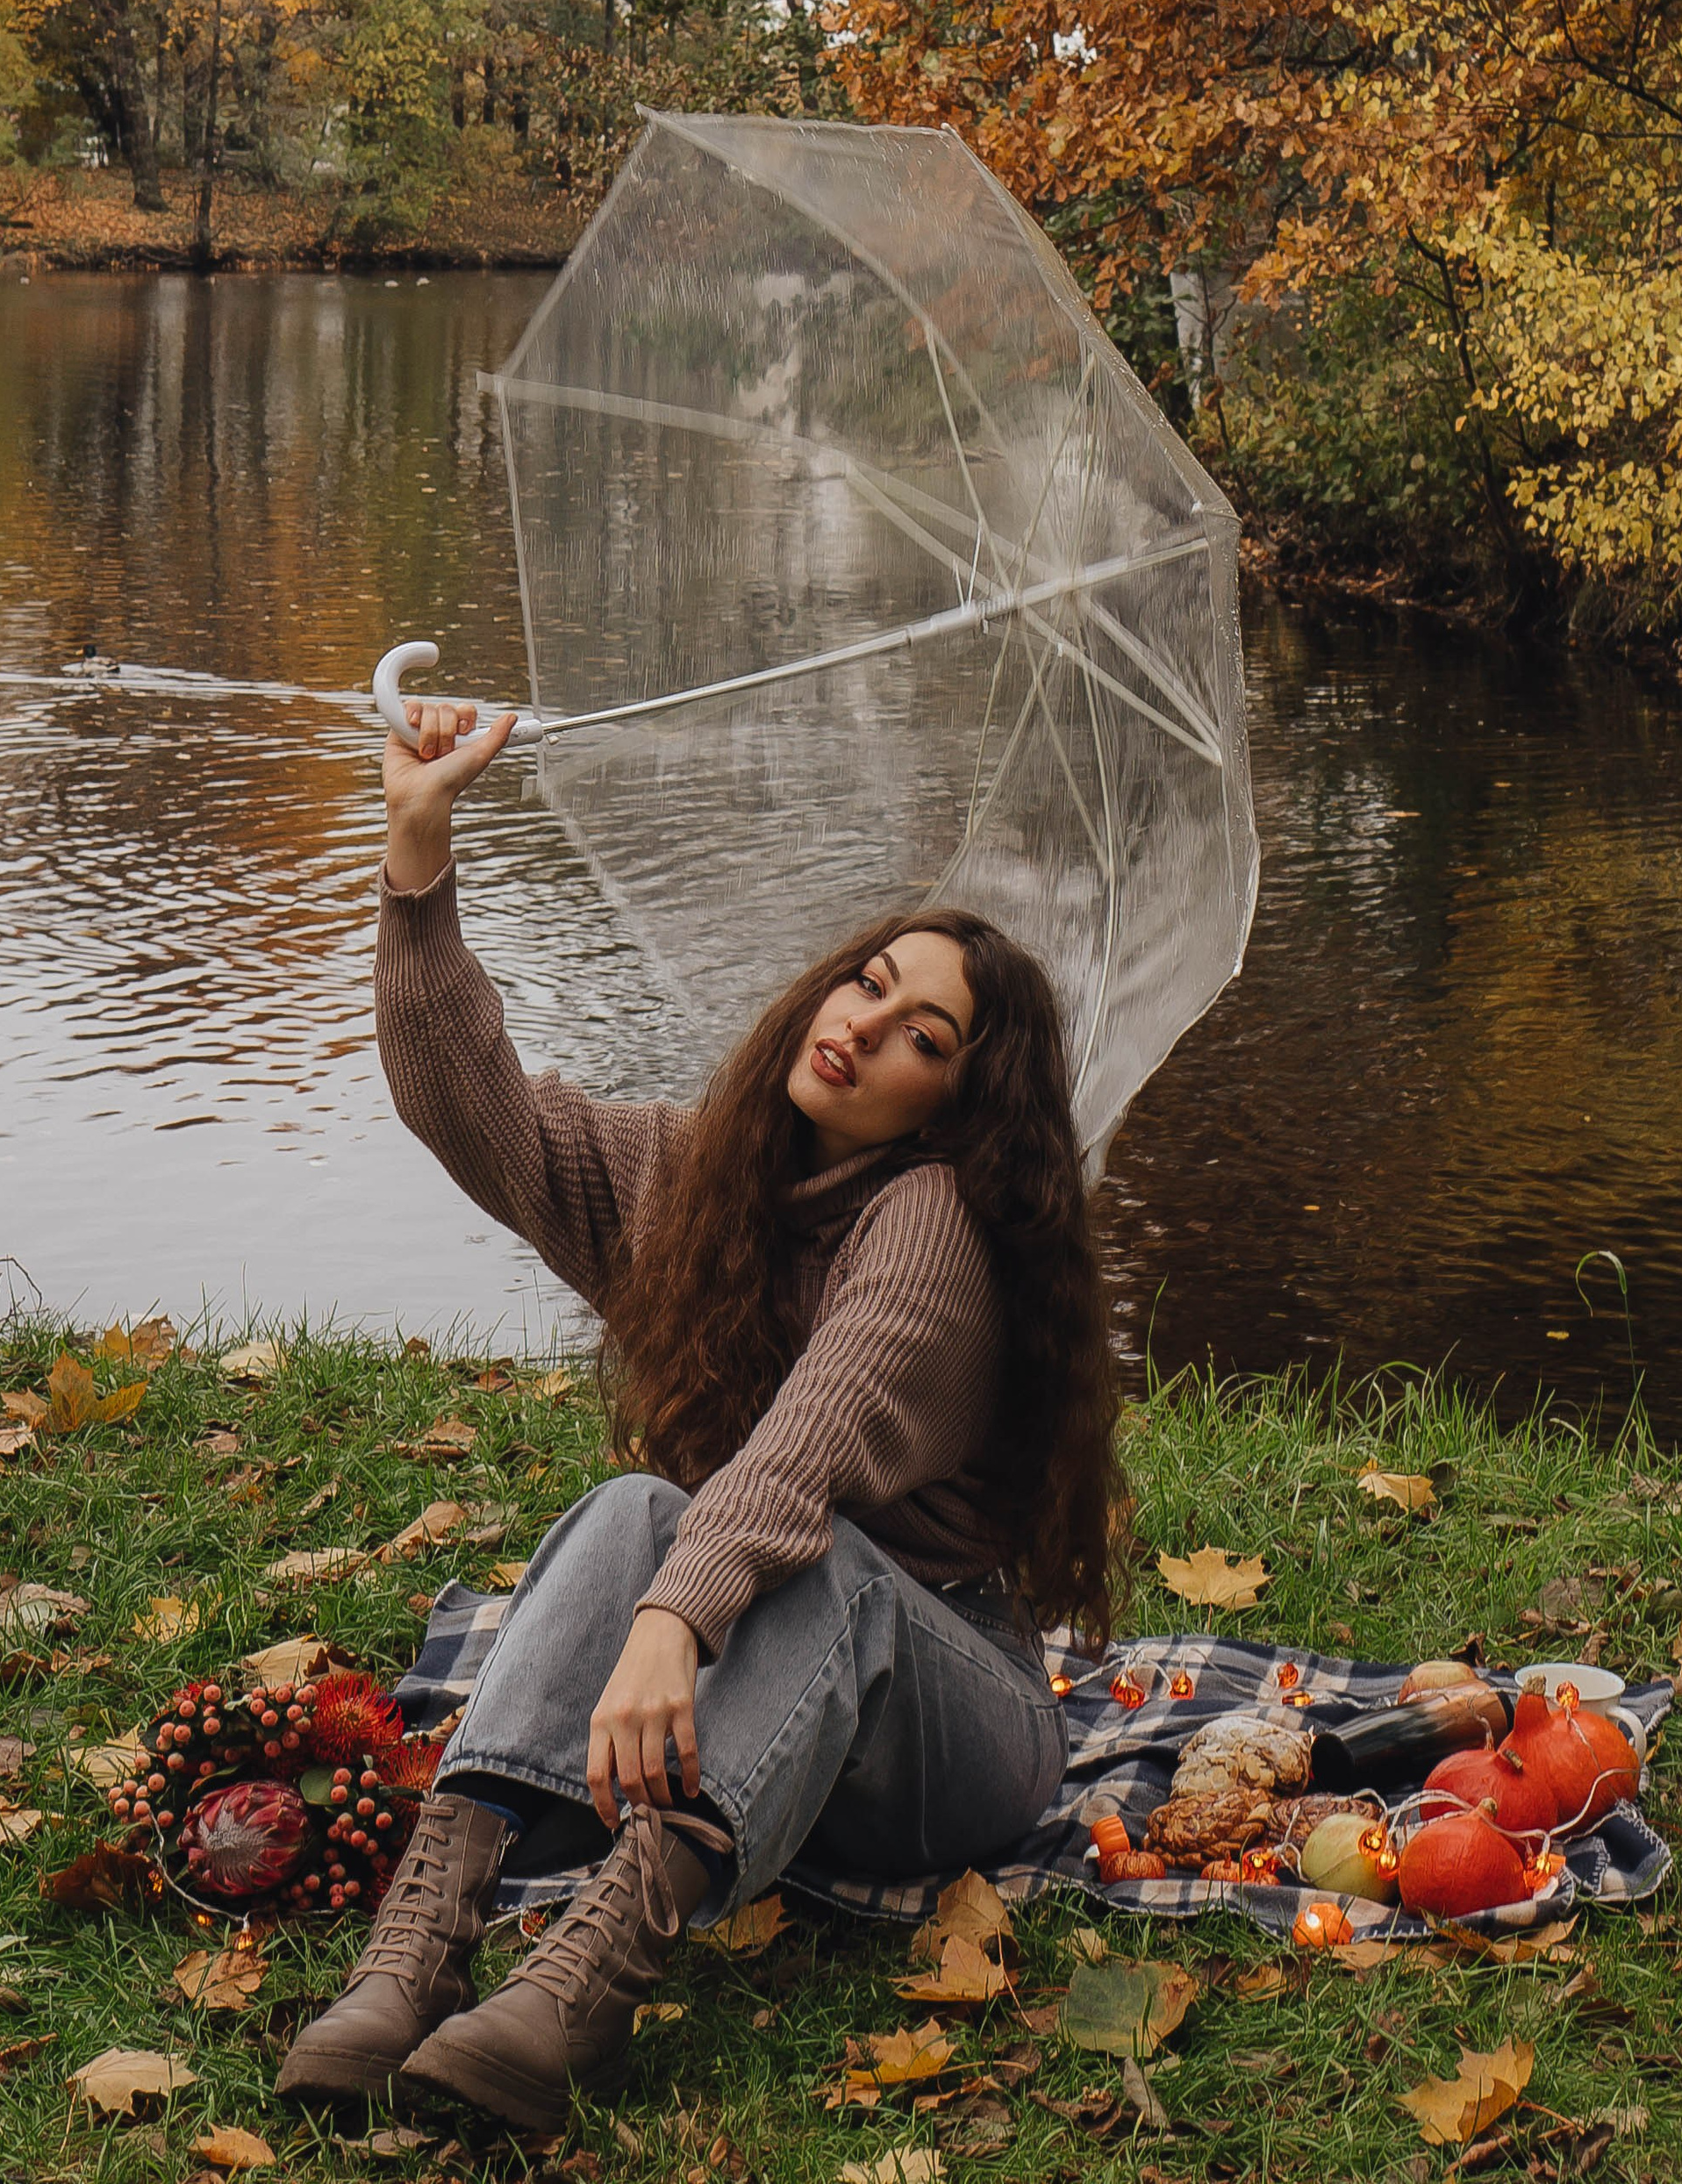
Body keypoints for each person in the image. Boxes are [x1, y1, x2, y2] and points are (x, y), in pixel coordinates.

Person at [277, 695, 1120, 2132]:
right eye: (868, 981)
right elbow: (475, 1109)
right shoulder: (705, 1182)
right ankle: (421, 1949)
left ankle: (580, 1991)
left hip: (950, 1721)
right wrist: (420, 859)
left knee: (804, 1562)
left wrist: (671, 1620)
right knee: (628, 1510)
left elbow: (804, 1452)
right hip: (764, 1721)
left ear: (953, 1107)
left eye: (924, 1035)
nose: (864, 1024)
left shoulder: (937, 1225)